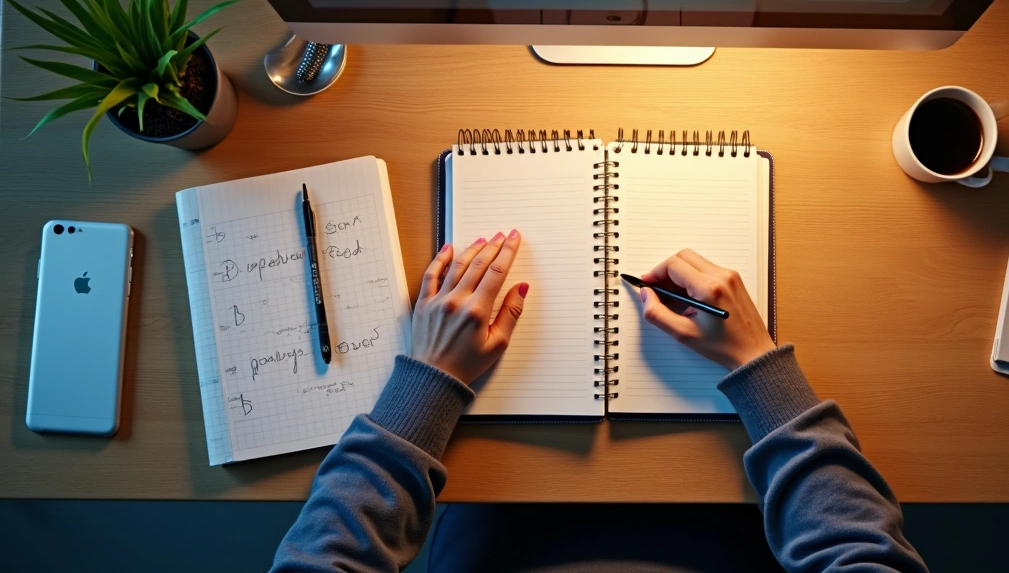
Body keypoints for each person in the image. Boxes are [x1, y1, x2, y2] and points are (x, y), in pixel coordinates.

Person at [271, 231, 927, 572]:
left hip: (495, 541)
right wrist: (757, 366)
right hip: (739, 539)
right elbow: (863, 557)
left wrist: (431, 378)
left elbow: (327, 559)